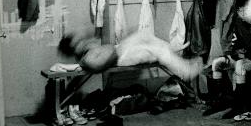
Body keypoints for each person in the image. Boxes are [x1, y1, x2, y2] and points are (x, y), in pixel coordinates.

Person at [203, 0, 251, 119]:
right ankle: (219, 101)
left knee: (240, 65)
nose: (243, 13)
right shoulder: (238, 22)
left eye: (246, 9)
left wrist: (244, 54)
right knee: (217, 63)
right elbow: (235, 42)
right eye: (240, 10)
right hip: (243, 56)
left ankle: (239, 105)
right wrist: (236, 51)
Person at [58, 29, 202, 80]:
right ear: (73, 47)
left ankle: (171, 49)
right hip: (121, 56)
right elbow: (100, 65)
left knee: (144, 34)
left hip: (120, 48)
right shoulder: (86, 59)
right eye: (77, 41)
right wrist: (115, 50)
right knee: (155, 51)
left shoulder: (86, 50)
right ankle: (186, 71)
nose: (80, 40)